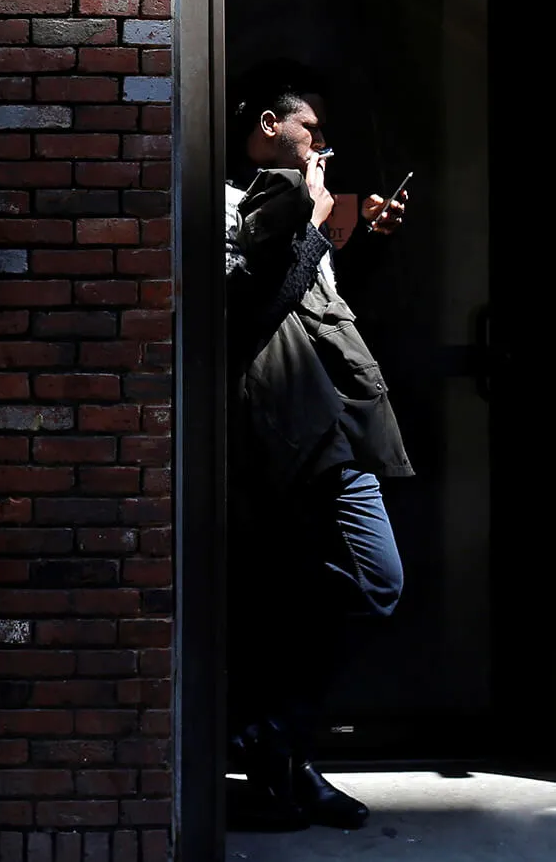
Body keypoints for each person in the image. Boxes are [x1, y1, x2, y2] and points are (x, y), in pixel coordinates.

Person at [223, 60, 412, 831]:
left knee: (341, 590)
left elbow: (321, 298)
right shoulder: (232, 200)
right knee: (350, 584)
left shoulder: (302, 197)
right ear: (270, 125)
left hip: (329, 420)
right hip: (285, 430)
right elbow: (253, 308)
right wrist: (310, 220)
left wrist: (360, 238)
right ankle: (277, 748)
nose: (322, 143)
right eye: (313, 128)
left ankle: (277, 744)